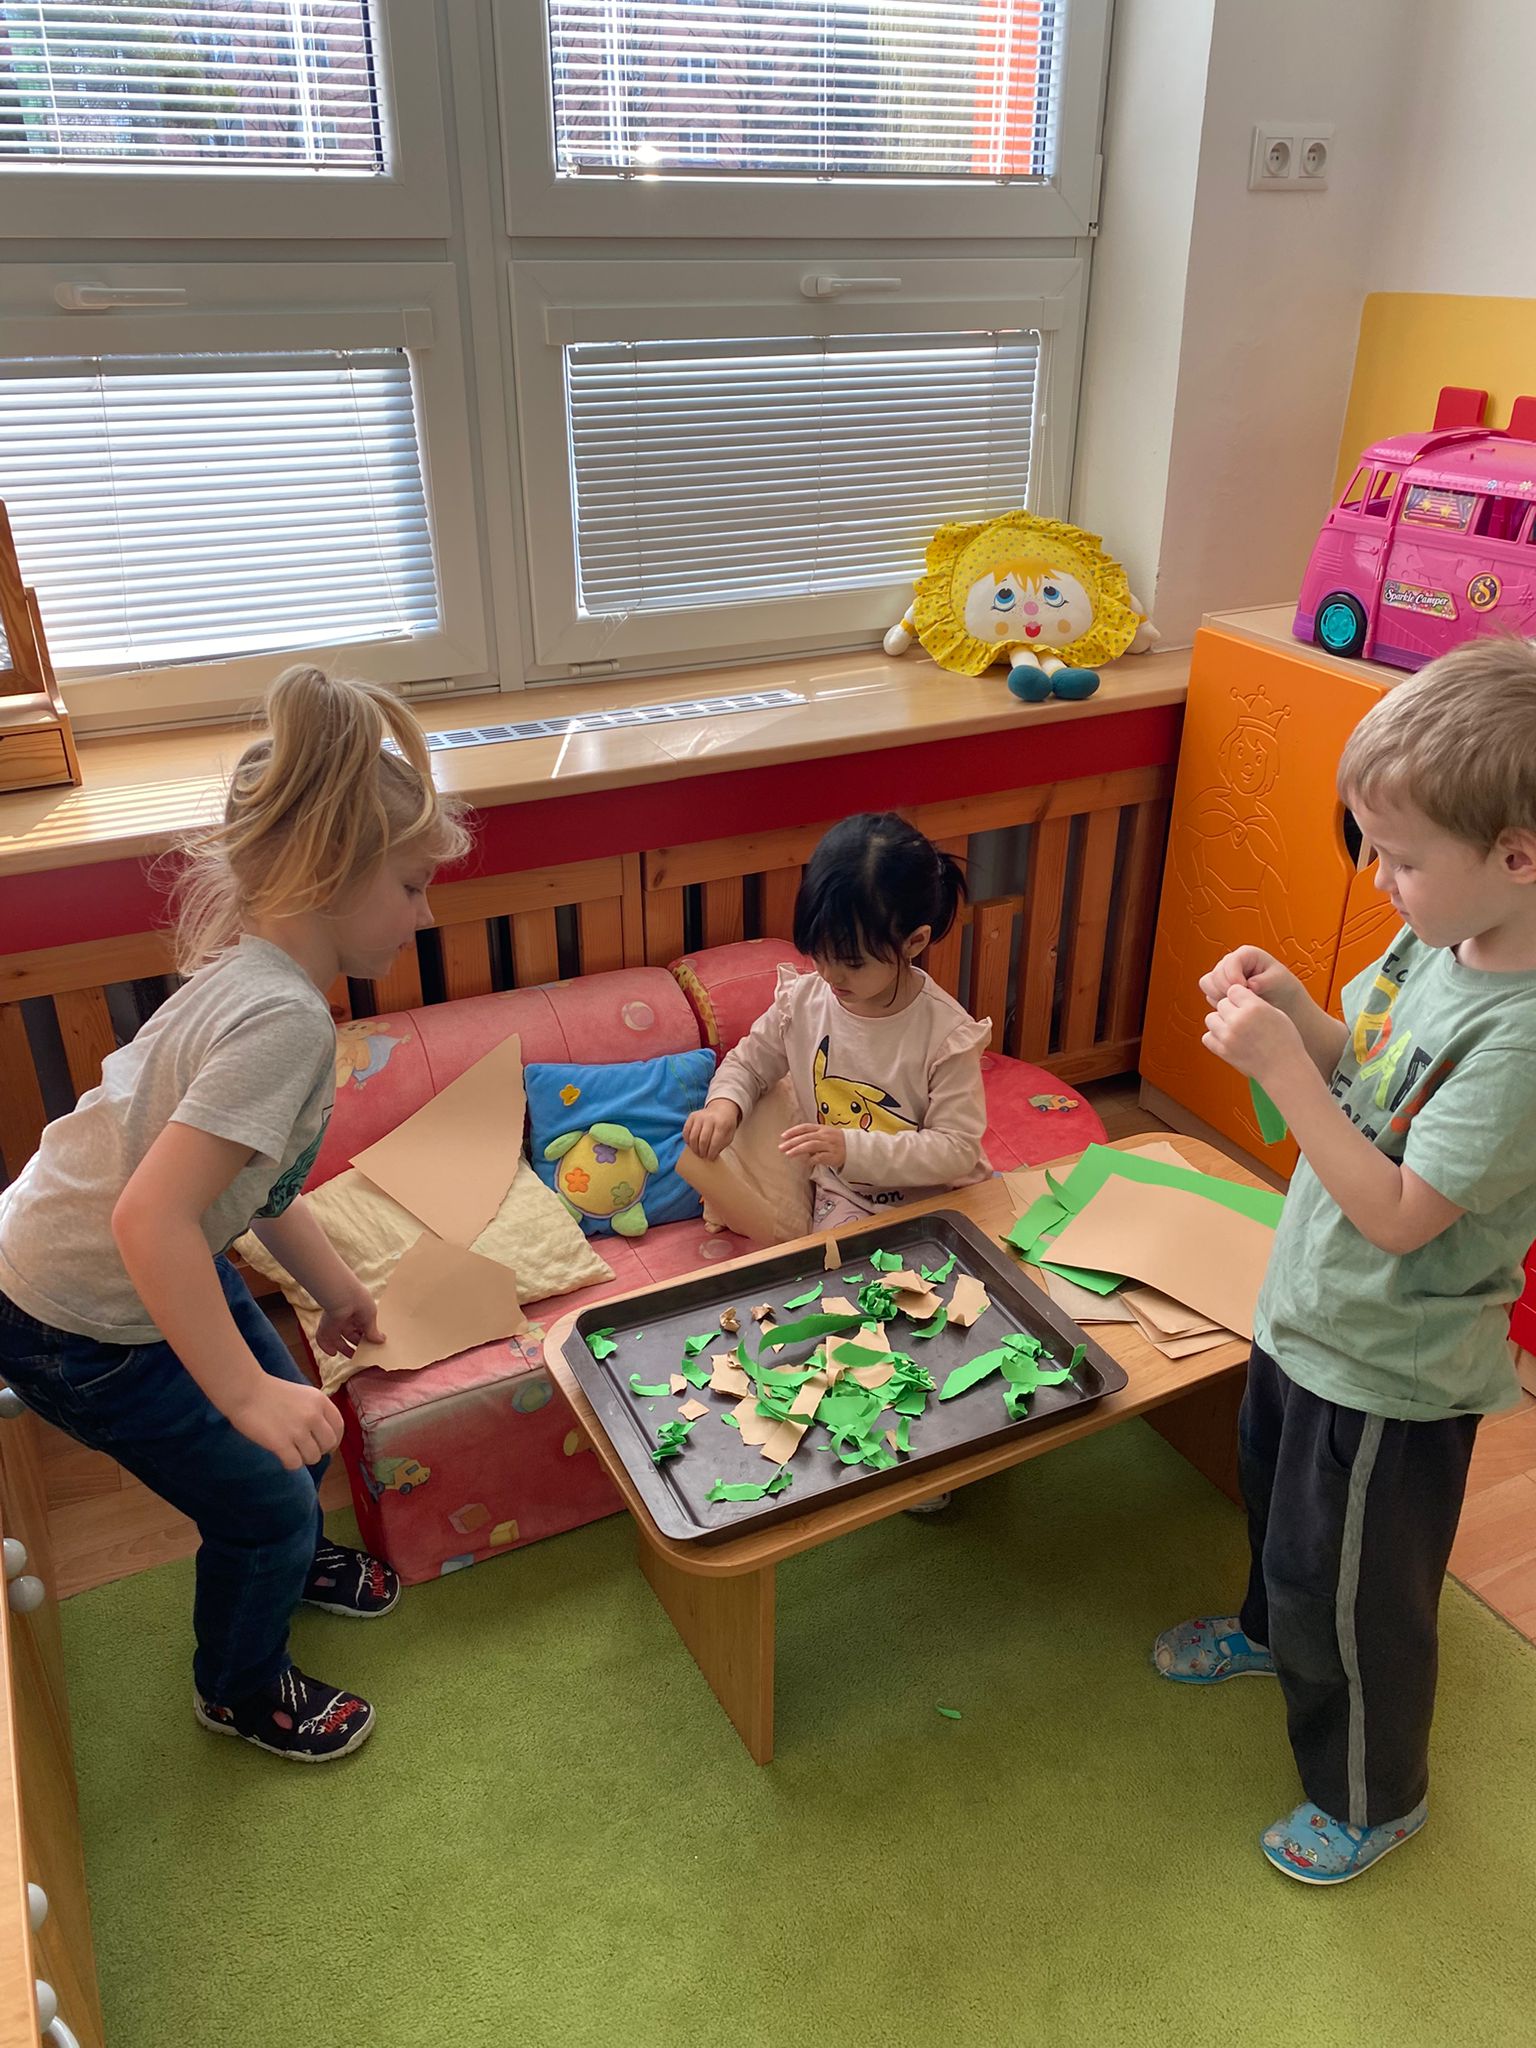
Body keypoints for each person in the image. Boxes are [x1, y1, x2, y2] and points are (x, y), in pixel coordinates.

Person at [0, 665, 469, 1763]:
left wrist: (337, 1290)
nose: (428, 912)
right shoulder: (280, 1023)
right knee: (263, 1487)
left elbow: (246, 1190)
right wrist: (246, 1392)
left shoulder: (263, 982)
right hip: (74, 1312)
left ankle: (284, 1550)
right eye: (411, 886)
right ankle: (240, 1686)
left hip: (138, 1260)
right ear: (331, 876)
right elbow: (147, 1222)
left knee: (292, 1437)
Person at [1152, 639, 1536, 1883]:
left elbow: (1403, 1213)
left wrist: (1281, 1070)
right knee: (1286, 1527)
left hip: (1392, 1370)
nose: (1378, 876)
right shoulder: (1434, 942)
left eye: (1402, 856)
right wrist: (1293, 1016)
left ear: (1519, 856)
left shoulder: (1521, 1041)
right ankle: (1273, 1631)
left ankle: (1374, 1796)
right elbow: (1356, 1063)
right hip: (1310, 1316)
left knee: (1362, 1598)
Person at [684, 811, 991, 1228]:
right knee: (833, 1267)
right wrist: (723, 1106)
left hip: (938, 1197)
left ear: (914, 942)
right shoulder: (801, 1004)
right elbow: (748, 1064)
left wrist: (851, 1149)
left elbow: (957, 1149)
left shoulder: (946, 1035)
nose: (830, 975)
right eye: (818, 954)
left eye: (852, 962)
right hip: (847, 1197)